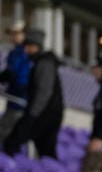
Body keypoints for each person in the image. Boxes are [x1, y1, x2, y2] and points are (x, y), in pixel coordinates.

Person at [3, 28, 64, 159]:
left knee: (13, 142)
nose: (25, 50)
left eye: (28, 46)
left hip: (43, 114)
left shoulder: (45, 63)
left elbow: (44, 91)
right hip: (44, 113)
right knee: (45, 150)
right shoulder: (39, 62)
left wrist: (32, 114)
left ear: (35, 46)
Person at [0, 20, 32, 147]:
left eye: (16, 34)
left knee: (8, 132)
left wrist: (8, 76)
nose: (12, 37)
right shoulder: (16, 52)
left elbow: (18, 76)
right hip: (14, 98)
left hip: (21, 99)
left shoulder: (25, 53)